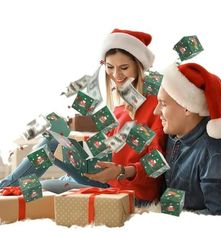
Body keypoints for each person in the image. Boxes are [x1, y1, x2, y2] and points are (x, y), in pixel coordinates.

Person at [0, 28, 165, 206]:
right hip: (106, 180)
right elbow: (109, 149)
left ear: (139, 66)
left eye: (124, 68)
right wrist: (81, 154)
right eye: (110, 67)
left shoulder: (156, 105)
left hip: (130, 193)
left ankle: (3, 188)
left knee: (39, 187)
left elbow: (155, 167)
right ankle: (5, 187)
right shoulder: (121, 107)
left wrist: (122, 171)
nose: (116, 75)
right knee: (53, 139)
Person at [153, 62, 221, 215]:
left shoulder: (216, 153)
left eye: (163, 104)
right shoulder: (172, 133)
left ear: (187, 108)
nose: (155, 111)